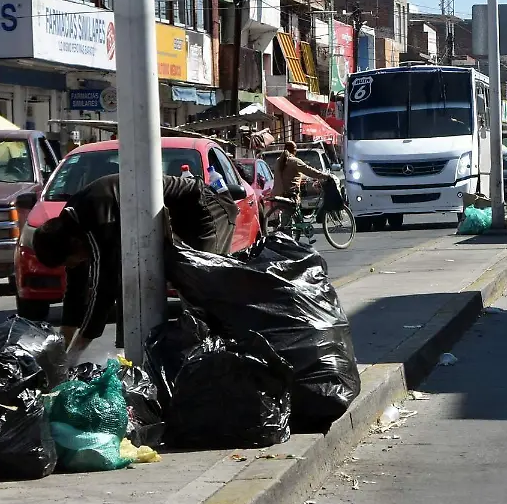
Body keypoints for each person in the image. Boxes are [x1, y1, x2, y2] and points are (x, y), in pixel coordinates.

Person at [30, 173, 238, 359]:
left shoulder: (96, 218)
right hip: (175, 221)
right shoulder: (70, 225)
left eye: (70, 261)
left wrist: (75, 353)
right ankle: (144, 358)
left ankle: (226, 359)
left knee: (203, 290)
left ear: (73, 244)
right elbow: (75, 291)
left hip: (204, 209)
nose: (76, 265)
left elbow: (105, 288)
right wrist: (60, 353)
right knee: (139, 281)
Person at [272, 141, 331, 227]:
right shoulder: (295, 161)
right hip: (290, 194)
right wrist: (325, 176)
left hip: (278, 193)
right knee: (288, 218)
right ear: (294, 151)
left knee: (288, 215)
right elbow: (309, 171)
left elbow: (291, 175)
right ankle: (286, 234)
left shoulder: (278, 161)